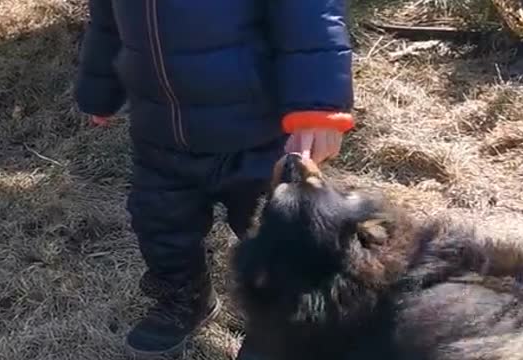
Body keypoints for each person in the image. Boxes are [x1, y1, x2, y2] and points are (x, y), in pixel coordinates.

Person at [74, 1, 354, 359]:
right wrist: (100, 89)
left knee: (272, 236)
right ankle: (187, 299)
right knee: (160, 227)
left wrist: (318, 105)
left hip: (255, 134)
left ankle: (276, 325)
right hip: (161, 136)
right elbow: (106, 22)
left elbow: (309, 12)